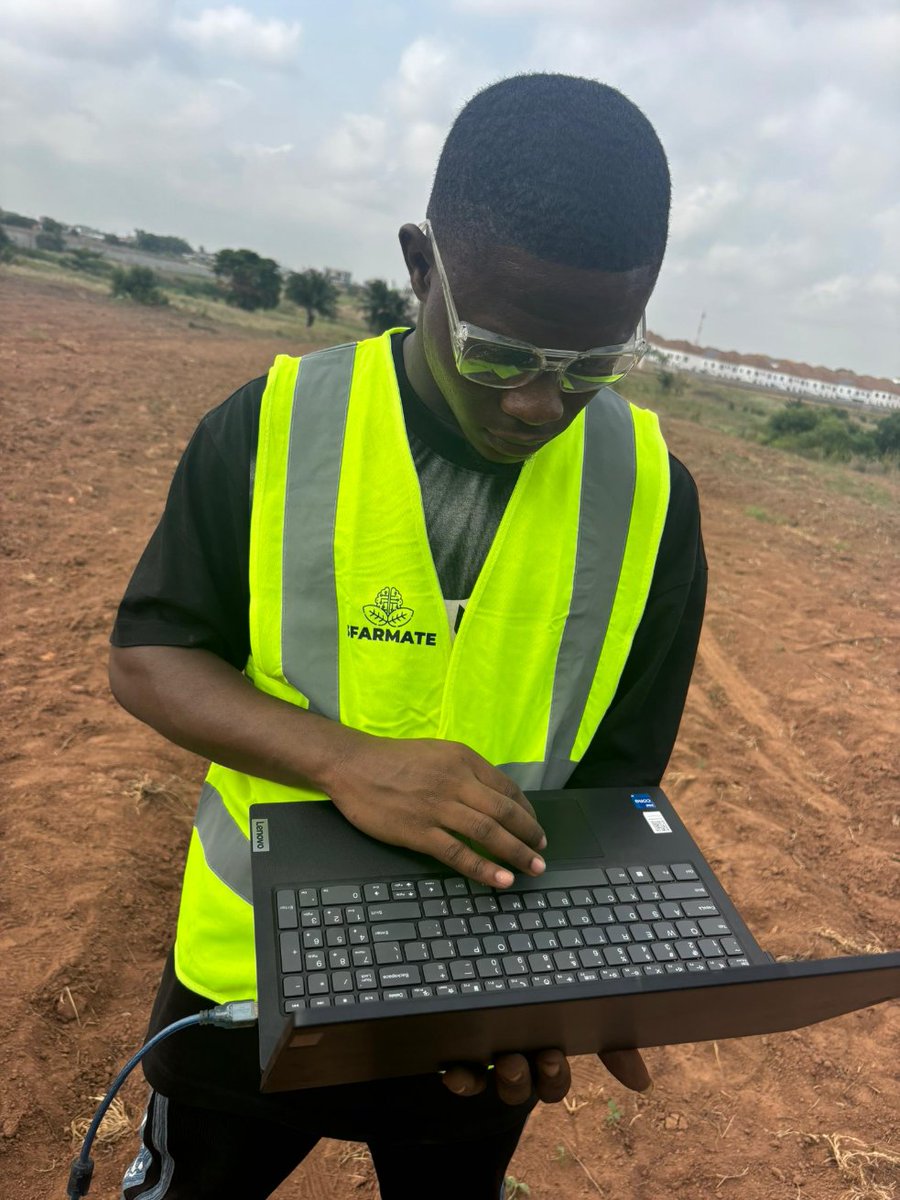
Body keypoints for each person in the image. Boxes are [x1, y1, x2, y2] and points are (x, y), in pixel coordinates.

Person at [110, 73, 706, 1200]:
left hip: (472, 1020)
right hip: (248, 983)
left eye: (592, 365)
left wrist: (561, 986)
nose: (538, 402)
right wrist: (348, 763)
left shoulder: (652, 500)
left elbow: (622, 777)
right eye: (498, 351)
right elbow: (149, 655)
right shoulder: (273, 428)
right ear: (420, 265)